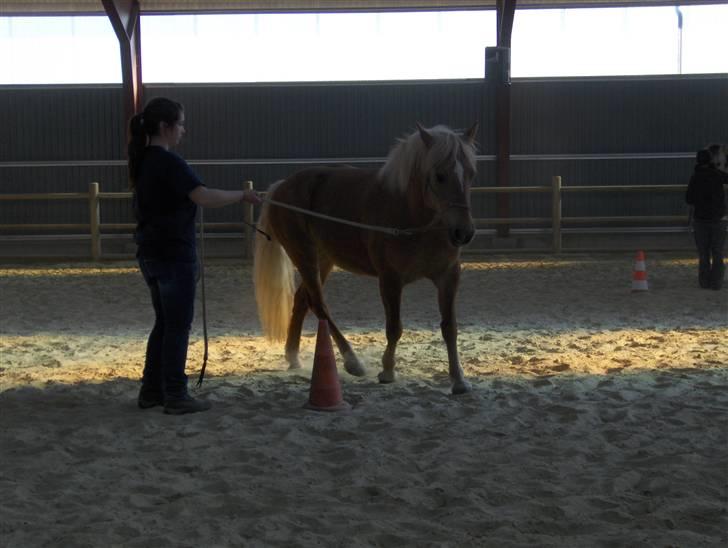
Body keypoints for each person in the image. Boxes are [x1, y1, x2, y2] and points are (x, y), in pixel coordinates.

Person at [128, 97, 261, 414]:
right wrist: (242, 195)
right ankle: (175, 394)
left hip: (151, 253)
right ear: (166, 127)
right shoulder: (170, 163)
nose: (183, 131)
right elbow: (204, 196)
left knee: (164, 323)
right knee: (177, 327)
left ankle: (151, 391)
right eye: (181, 124)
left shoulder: (143, 161)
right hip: (174, 254)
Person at [685, 144, 728, 290]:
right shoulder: (717, 175)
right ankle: (716, 283)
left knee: (703, 254)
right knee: (717, 253)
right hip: (718, 220)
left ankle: (704, 282)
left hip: (701, 220)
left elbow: (689, 200)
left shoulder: (695, 177)